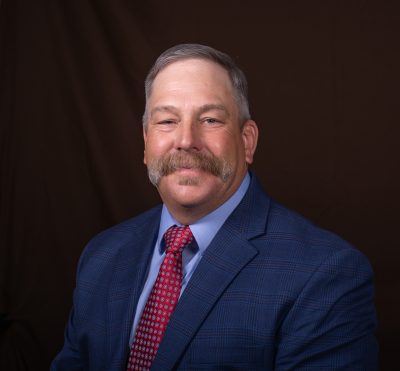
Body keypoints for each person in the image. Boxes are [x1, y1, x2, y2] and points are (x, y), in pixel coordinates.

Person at [51, 44, 378, 370]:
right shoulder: (103, 255)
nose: (186, 139)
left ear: (247, 141)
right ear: (146, 143)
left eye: (209, 119)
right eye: (167, 121)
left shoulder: (325, 275)